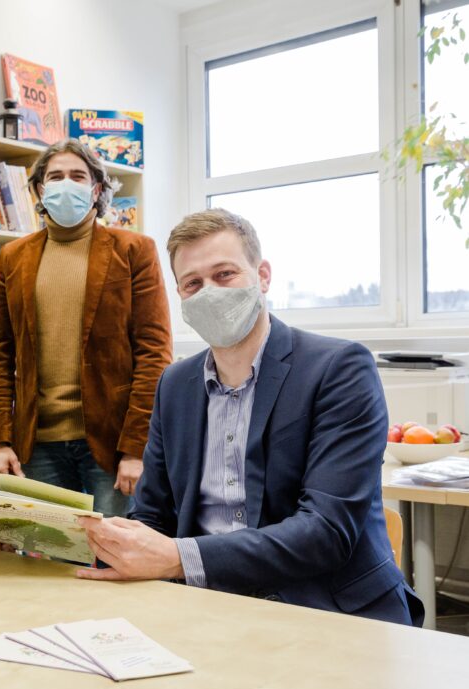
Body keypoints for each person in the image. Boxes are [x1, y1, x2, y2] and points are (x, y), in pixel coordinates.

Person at [77, 208, 423, 626]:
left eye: (224, 275)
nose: (208, 292)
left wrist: (177, 558)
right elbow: (153, 517)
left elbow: (327, 532)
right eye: (192, 284)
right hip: (208, 608)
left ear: (262, 276)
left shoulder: (340, 368)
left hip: (326, 608)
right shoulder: (175, 385)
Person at [0, 139, 172, 517]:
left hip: (112, 444)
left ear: (96, 189)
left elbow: (155, 354)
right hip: (37, 444)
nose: (66, 183)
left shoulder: (135, 250)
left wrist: (138, 446)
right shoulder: (12, 257)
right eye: (55, 176)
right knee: (50, 560)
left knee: (116, 556)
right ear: (40, 189)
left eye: (77, 176)